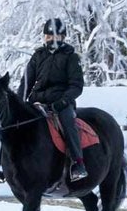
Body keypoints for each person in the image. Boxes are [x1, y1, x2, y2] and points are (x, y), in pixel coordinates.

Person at [18, 17, 88, 182]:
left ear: (62, 37)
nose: (51, 40)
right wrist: (20, 102)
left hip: (61, 103)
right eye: (48, 36)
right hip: (37, 100)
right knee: (17, 123)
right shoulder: (38, 55)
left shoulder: (70, 57)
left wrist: (64, 101)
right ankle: (3, 165)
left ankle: (78, 163)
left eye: (55, 37)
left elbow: (76, 85)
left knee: (68, 123)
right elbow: (27, 81)